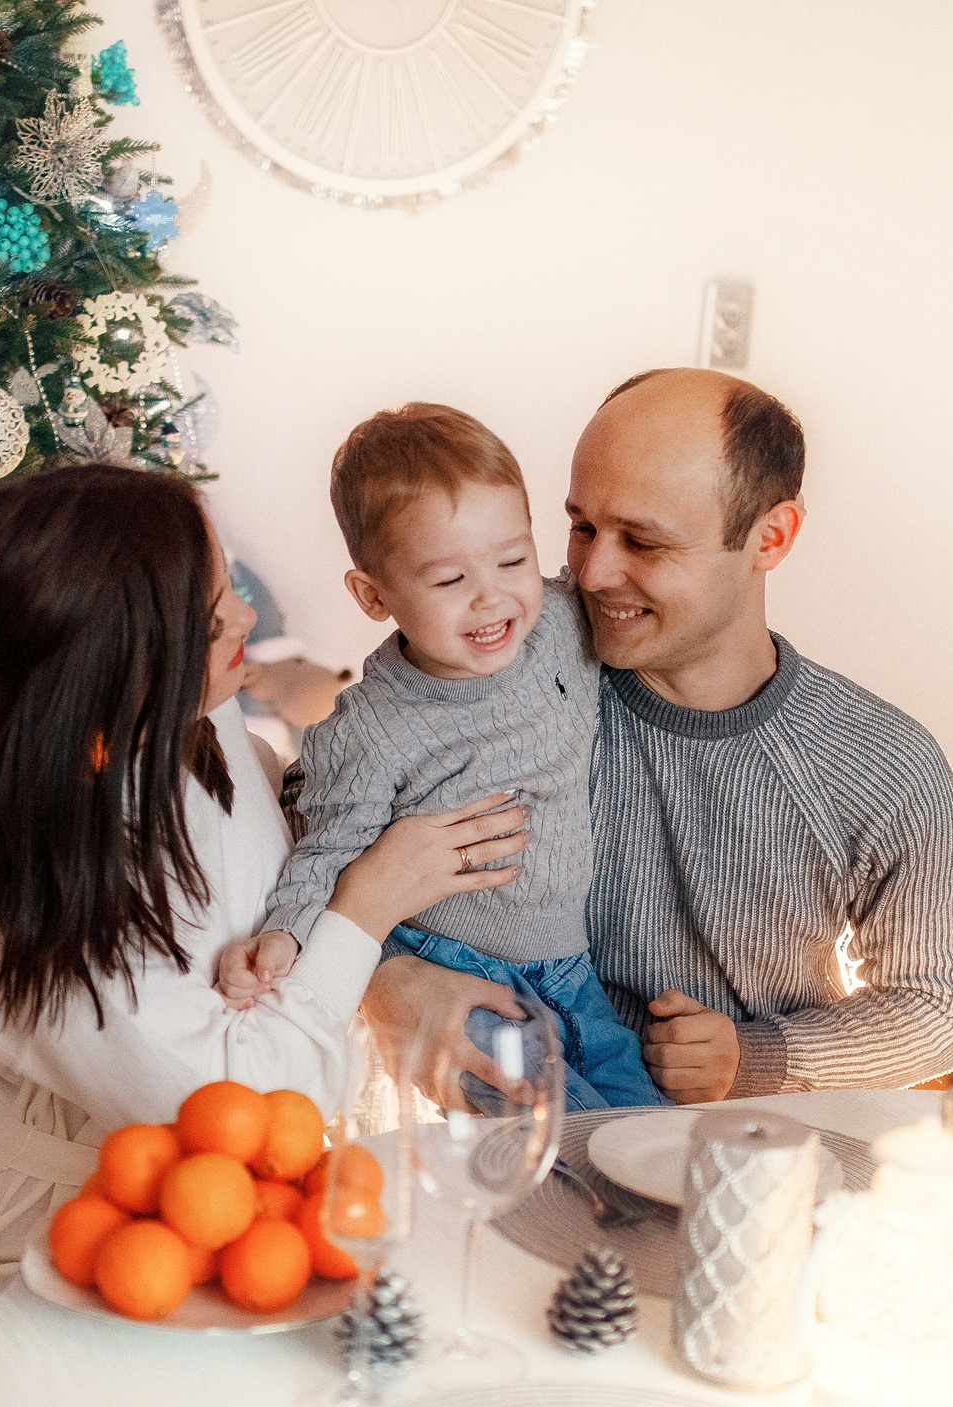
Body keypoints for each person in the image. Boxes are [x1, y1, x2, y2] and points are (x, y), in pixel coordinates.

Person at [0, 464, 527, 1407]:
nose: (242, 622)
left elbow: (264, 928)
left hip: (238, 1211)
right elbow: (256, 1105)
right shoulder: (45, 882)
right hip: (59, 1251)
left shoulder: (196, 716)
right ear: (121, 662)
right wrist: (366, 904)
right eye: (211, 609)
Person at [365, 368, 953, 1101]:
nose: (593, 573)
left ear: (771, 537)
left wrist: (756, 1056)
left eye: (645, 543)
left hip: (742, 1169)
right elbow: (319, 825)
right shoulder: (507, 665)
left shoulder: (887, 766)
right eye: (582, 526)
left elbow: (939, 1006)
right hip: (509, 1159)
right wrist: (383, 982)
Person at [212, 403, 663, 1111]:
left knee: (649, 1135)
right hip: (461, 969)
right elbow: (326, 847)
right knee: (559, 1142)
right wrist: (282, 936)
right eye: (450, 580)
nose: (492, 597)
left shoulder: (564, 624)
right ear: (373, 595)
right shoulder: (373, 727)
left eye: (513, 559)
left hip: (574, 970)